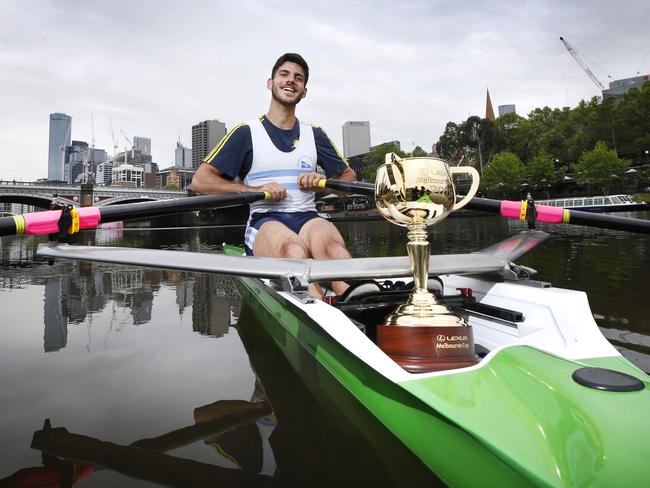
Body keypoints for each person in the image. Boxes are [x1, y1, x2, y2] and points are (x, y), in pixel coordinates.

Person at [192, 53, 356, 299]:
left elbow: (348, 179)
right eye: (284, 74)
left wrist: (320, 186)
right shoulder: (245, 133)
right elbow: (200, 182)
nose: (291, 81)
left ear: (304, 91)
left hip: (308, 217)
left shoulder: (316, 134)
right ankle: (318, 306)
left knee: (332, 248)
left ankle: (358, 300)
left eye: (298, 79)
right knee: (294, 250)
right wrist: (253, 191)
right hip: (265, 220)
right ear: (270, 83)